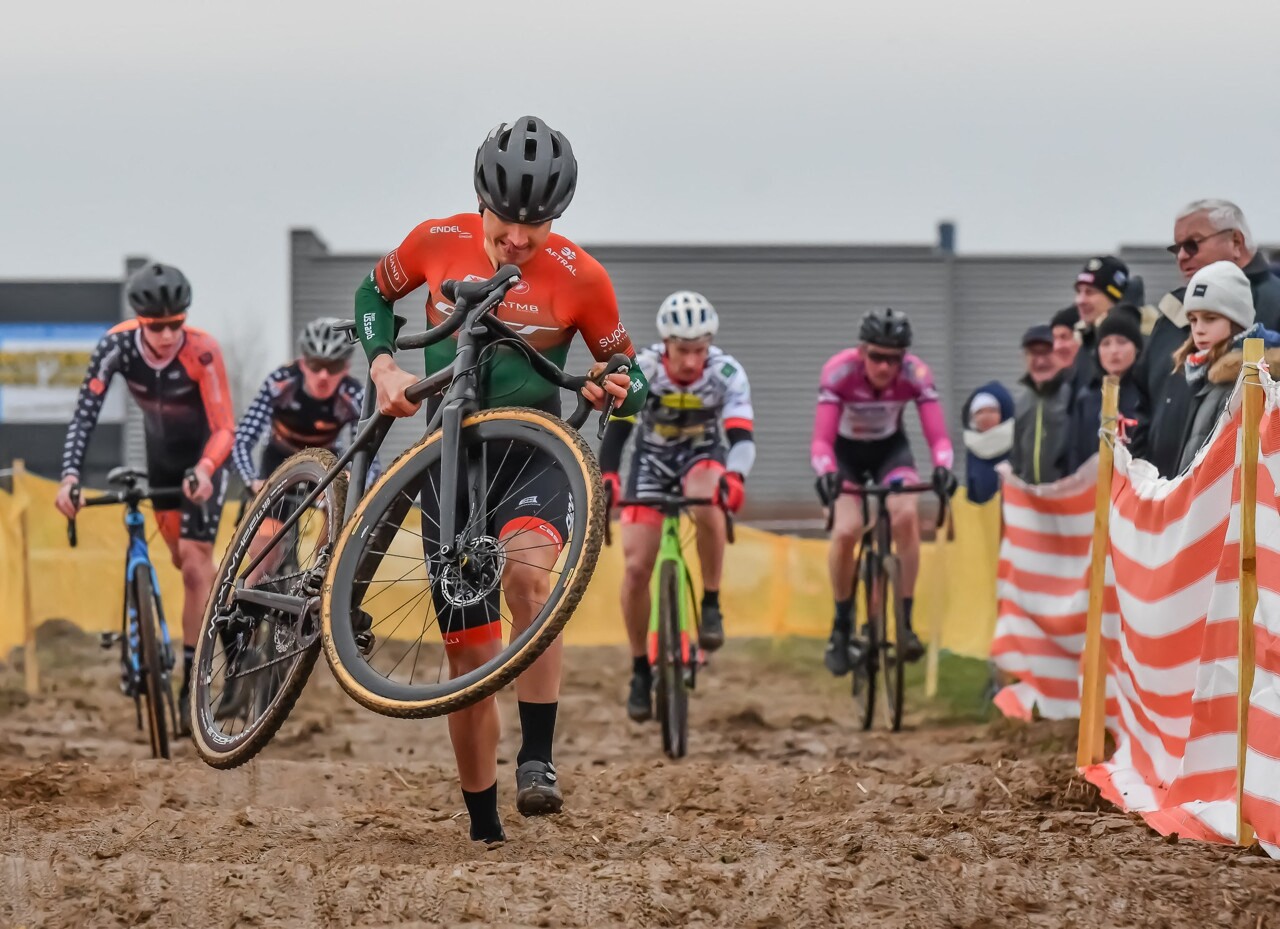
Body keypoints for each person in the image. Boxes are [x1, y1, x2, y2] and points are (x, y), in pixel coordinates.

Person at [350, 116, 649, 845]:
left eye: (536, 223)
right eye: (506, 220)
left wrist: (618, 388)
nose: (518, 236)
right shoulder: (434, 241)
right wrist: (384, 362)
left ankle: (538, 760)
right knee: (468, 653)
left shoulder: (583, 279)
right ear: (480, 199)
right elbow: (370, 294)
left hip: (534, 456)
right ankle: (482, 821)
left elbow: (632, 377)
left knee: (527, 580)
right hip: (451, 458)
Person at [54, 262, 234, 729]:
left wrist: (206, 467)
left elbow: (224, 427)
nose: (168, 333)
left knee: (196, 565)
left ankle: (193, 681)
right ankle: (231, 618)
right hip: (161, 465)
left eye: (178, 322)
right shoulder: (116, 345)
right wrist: (69, 476)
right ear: (139, 320)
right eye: (158, 326)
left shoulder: (202, 350)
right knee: (180, 561)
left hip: (202, 465)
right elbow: (84, 415)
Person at [598, 291, 754, 722]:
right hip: (650, 463)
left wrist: (736, 477)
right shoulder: (642, 370)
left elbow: (741, 437)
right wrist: (608, 477)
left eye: (699, 351)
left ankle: (710, 603)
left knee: (708, 497)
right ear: (666, 344)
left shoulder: (725, 373)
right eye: (683, 351)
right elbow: (618, 434)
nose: (691, 361)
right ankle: (639, 670)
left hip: (701, 459)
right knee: (635, 569)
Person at [810, 308, 957, 677]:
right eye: (877, 357)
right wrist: (826, 472)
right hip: (845, 456)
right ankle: (841, 625)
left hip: (890, 453)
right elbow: (821, 442)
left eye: (895, 359)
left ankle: (904, 623)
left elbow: (937, 436)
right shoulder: (839, 372)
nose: (885, 367)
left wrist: (943, 468)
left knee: (905, 516)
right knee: (846, 531)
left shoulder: (916, 375)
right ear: (861, 352)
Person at [1137, 200, 1280, 477]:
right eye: (1176, 248)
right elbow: (1141, 399)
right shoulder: (1171, 311)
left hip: (1242, 503)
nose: (1181, 256)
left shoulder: (1275, 304)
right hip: (1166, 499)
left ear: (1236, 241)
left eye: (1192, 244)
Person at [232, 317, 369, 494]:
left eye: (333, 366)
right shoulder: (280, 381)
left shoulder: (353, 394)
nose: (323, 376)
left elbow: (365, 451)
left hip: (325, 460)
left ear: (346, 367)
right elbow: (243, 437)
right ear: (303, 363)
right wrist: (251, 480)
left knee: (343, 506)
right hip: (278, 457)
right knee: (270, 520)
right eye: (315, 365)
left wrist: (358, 481)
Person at [1174, 261, 1280, 471]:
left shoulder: (1248, 381)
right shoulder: (1204, 374)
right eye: (1193, 320)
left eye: (1210, 318)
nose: (1199, 329)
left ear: (1237, 321)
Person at [1066, 312, 1149, 473]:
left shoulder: (1146, 393)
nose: (1113, 351)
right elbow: (1075, 452)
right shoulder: (1087, 397)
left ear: (1137, 348)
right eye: (1106, 343)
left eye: (1122, 342)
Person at [1009, 325, 1073, 484]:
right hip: (1030, 500)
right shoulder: (1021, 402)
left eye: (1046, 352)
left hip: (1069, 499)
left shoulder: (1073, 396)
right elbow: (1016, 457)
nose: (1040, 361)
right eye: (1033, 353)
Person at [961, 382, 1015, 505]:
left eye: (992, 410)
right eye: (980, 412)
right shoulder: (973, 445)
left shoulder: (1018, 440)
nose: (986, 417)